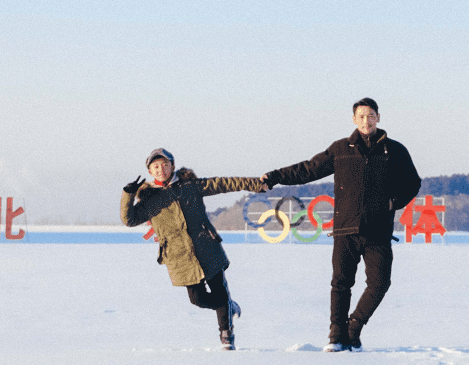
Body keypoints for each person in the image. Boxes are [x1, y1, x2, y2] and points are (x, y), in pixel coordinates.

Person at [264, 98, 420, 351]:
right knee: (341, 283)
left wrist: (394, 202)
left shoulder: (394, 150)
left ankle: (354, 327)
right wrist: (274, 177)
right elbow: (308, 170)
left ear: (378, 117)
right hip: (346, 228)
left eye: (370, 116)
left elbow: (413, 182)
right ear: (353, 119)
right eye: (360, 116)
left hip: (378, 230)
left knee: (380, 283)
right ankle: (336, 337)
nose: (365, 121)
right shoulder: (341, 149)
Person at [122, 148, 266, 350]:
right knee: (197, 299)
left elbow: (224, 183)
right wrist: (128, 194)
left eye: (164, 164)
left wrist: (255, 184)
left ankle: (226, 335)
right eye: (155, 166)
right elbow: (129, 220)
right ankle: (227, 305)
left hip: (206, 246)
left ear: (172, 166)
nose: (160, 169)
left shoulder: (190, 185)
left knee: (219, 288)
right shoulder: (149, 199)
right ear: (150, 171)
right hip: (179, 256)